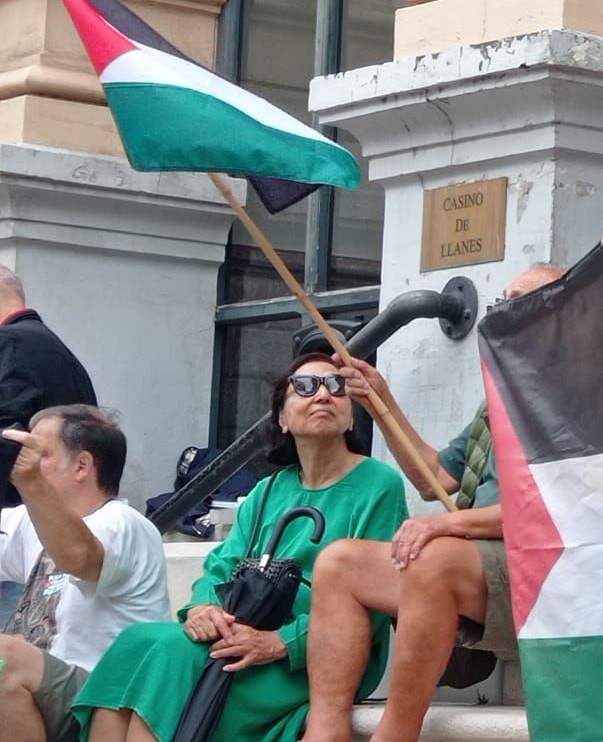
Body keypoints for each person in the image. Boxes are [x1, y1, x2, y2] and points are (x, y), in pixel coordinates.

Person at [298, 263, 565, 742]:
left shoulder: (579, 396)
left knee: (436, 555)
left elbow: (551, 513)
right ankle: (325, 731)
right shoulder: (498, 400)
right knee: (339, 562)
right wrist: (381, 402)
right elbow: (435, 478)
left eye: (519, 298)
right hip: (479, 568)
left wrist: (449, 526)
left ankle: (395, 734)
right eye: (502, 298)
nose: (502, 308)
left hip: (547, 575)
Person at [74, 358, 406, 742]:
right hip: (242, 633)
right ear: (282, 418)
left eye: (335, 387)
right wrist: (201, 608)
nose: (321, 394)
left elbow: (377, 601)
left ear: (351, 419)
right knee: (138, 643)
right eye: (305, 385)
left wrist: (281, 643)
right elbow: (223, 565)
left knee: (169, 654)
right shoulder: (268, 490)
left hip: (318, 657)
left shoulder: (379, 484)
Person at [0, 407, 167, 742]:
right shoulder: (30, 519)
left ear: (82, 466)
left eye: (41, 454)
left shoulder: (123, 523)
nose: (28, 463)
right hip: (44, 692)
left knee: (6, 657)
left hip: (103, 699)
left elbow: (78, 558)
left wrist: (29, 480)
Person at [0, 266, 99, 511]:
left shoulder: (11, 342)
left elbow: (7, 437)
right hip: (60, 512)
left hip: (22, 517)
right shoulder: (52, 347)